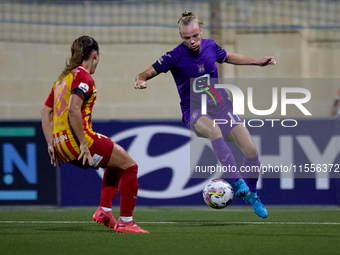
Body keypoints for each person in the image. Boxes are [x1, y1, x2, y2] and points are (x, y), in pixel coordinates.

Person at [134, 11, 277, 219]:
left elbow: (228, 57)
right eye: (186, 38)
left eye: (195, 36)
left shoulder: (210, 46)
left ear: (200, 30)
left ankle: (252, 195)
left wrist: (257, 62)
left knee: (251, 150)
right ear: (181, 37)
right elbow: (146, 72)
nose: (192, 41)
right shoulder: (173, 57)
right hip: (194, 111)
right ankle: (238, 182)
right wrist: (139, 80)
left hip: (220, 106)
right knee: (213, 129)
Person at [41, 35, 148, 233]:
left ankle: (104, 211)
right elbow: (74, 109)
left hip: (60, 145)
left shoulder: (62, 79)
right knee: (130, 167)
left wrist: (50, 144)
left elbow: (45, 111)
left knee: (117, 161)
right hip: (79, 142)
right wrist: (83, 144)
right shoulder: (83, 76)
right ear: (95, 55)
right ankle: (126, 222)